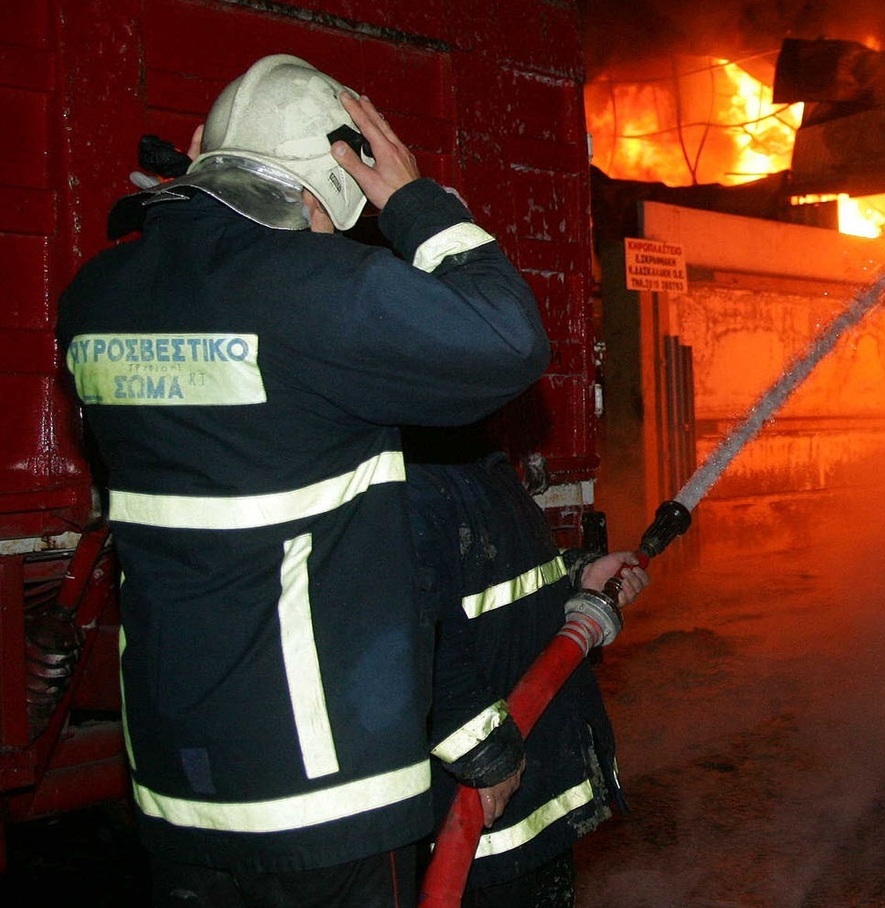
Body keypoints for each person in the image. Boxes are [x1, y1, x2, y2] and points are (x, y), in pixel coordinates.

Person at [55, 53, 551, 908]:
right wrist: (414, 204)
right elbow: (509, 339)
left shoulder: (97, 296)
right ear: (327, 184)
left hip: (180, 787)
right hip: (325, 793)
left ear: (205, 148)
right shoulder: (317, 293)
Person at [404, 426, 650, 907]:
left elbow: (498, 575)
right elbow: (413, 631)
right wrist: (482, 750)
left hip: (527, 810)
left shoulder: (475, 464)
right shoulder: (410, 482)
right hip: (475, 835)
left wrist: (578, 573)